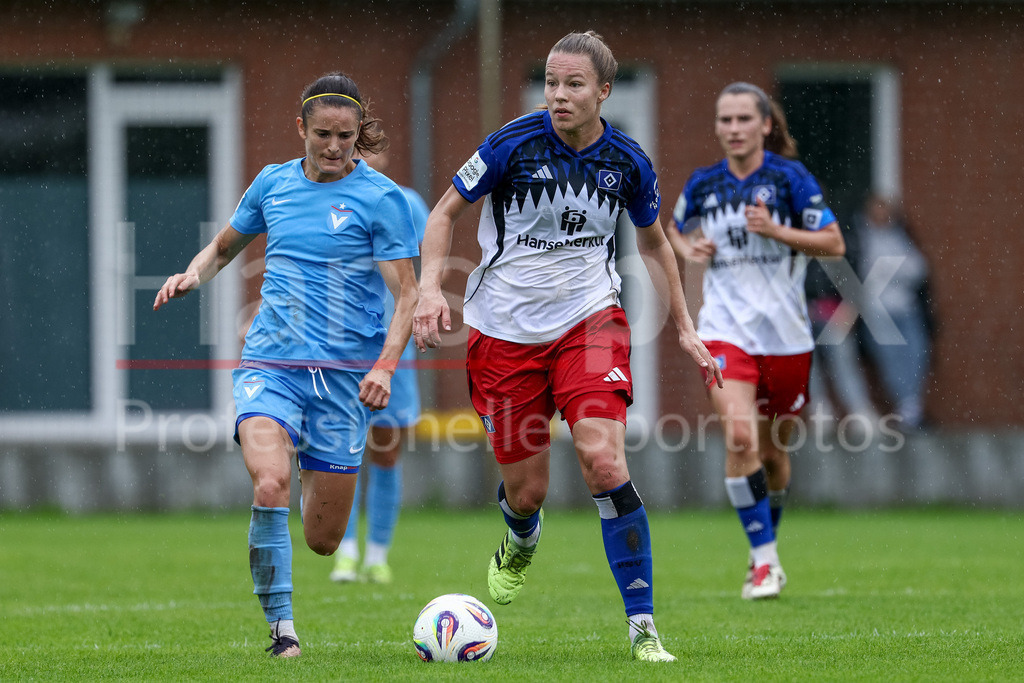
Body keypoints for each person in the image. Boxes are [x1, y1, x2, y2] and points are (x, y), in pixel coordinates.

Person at [413, 31, 722, 663]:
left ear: (604, 91)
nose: (558, 95)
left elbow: (655, 242)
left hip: (591, 324)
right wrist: (427, 291)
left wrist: (687, 326)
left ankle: (643, 628)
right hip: (502, 334)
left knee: (604, 463)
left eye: (573, 84)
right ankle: (521, 536)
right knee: (527, 492)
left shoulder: (628, 162)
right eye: (551, 82)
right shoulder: (509, 145)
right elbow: (442, 214)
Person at [153, 72, 419, 658]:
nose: (332, 146)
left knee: (324, 540)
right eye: (322, 133)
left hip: (347, 379)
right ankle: (282, 633)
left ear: (359, 135)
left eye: (345, 136)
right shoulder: (272, 183)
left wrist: (385, 367)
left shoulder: (382, 199)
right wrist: (192, 273)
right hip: (270, 364)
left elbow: (408, 296)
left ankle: (310, 472)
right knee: (268, 482)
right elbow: (225, 246)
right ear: (300, 128)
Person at [666, 82, 845, 600]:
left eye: (744, 119)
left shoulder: (790, 179)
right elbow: (674, 229)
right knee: (740, 439)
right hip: (724, 330)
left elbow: (834, 243)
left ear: (765, 125)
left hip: (786, 338)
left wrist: (777, 232)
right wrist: (689, 244)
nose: (734, 129)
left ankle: (762, 550)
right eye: (725, 120)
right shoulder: (703, 183)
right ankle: (765, 563)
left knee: (772, 456)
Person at [330, 150, 429, 584]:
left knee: (386, 452)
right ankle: (345, 553)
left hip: (392, 351)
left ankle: (378, 554)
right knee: (335, 452)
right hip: (335, 350)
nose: (354, 153)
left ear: (383, 152)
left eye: (364, 144)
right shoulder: (320, 199)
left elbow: (417, 274)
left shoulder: (405, 202)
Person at [856, 193, 931, 430]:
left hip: (906, 309)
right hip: (879, 311)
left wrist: (891, 269)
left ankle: (911, 406)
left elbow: (919, 269)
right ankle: (907, 408)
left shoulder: (900, 236)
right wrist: (892, 268)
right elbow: (869, 273)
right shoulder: (861, 236)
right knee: (891, 359)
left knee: (917, 354)